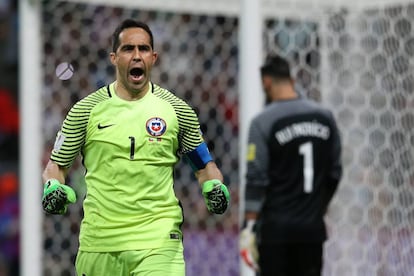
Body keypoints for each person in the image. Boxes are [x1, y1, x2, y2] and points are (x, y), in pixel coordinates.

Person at [41, 19, 230, 276]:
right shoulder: (85, 111)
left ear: (153, 57)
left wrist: (214, 186)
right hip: (100, 245)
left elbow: (205, 167)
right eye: (129, 49)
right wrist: (53, 186)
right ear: (114, 57)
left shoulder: (177, 111)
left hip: (159, 242)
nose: (137, 55)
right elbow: (56, 167)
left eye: (143, 49)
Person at [240, 55, 342, 276]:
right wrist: (318, 207)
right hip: (312, 232)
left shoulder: (262, 123)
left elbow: (256, 179)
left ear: (266, 82)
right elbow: (335, 172)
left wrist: (248, 229)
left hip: (276, 233)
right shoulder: (325, 118)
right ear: (292, 80)